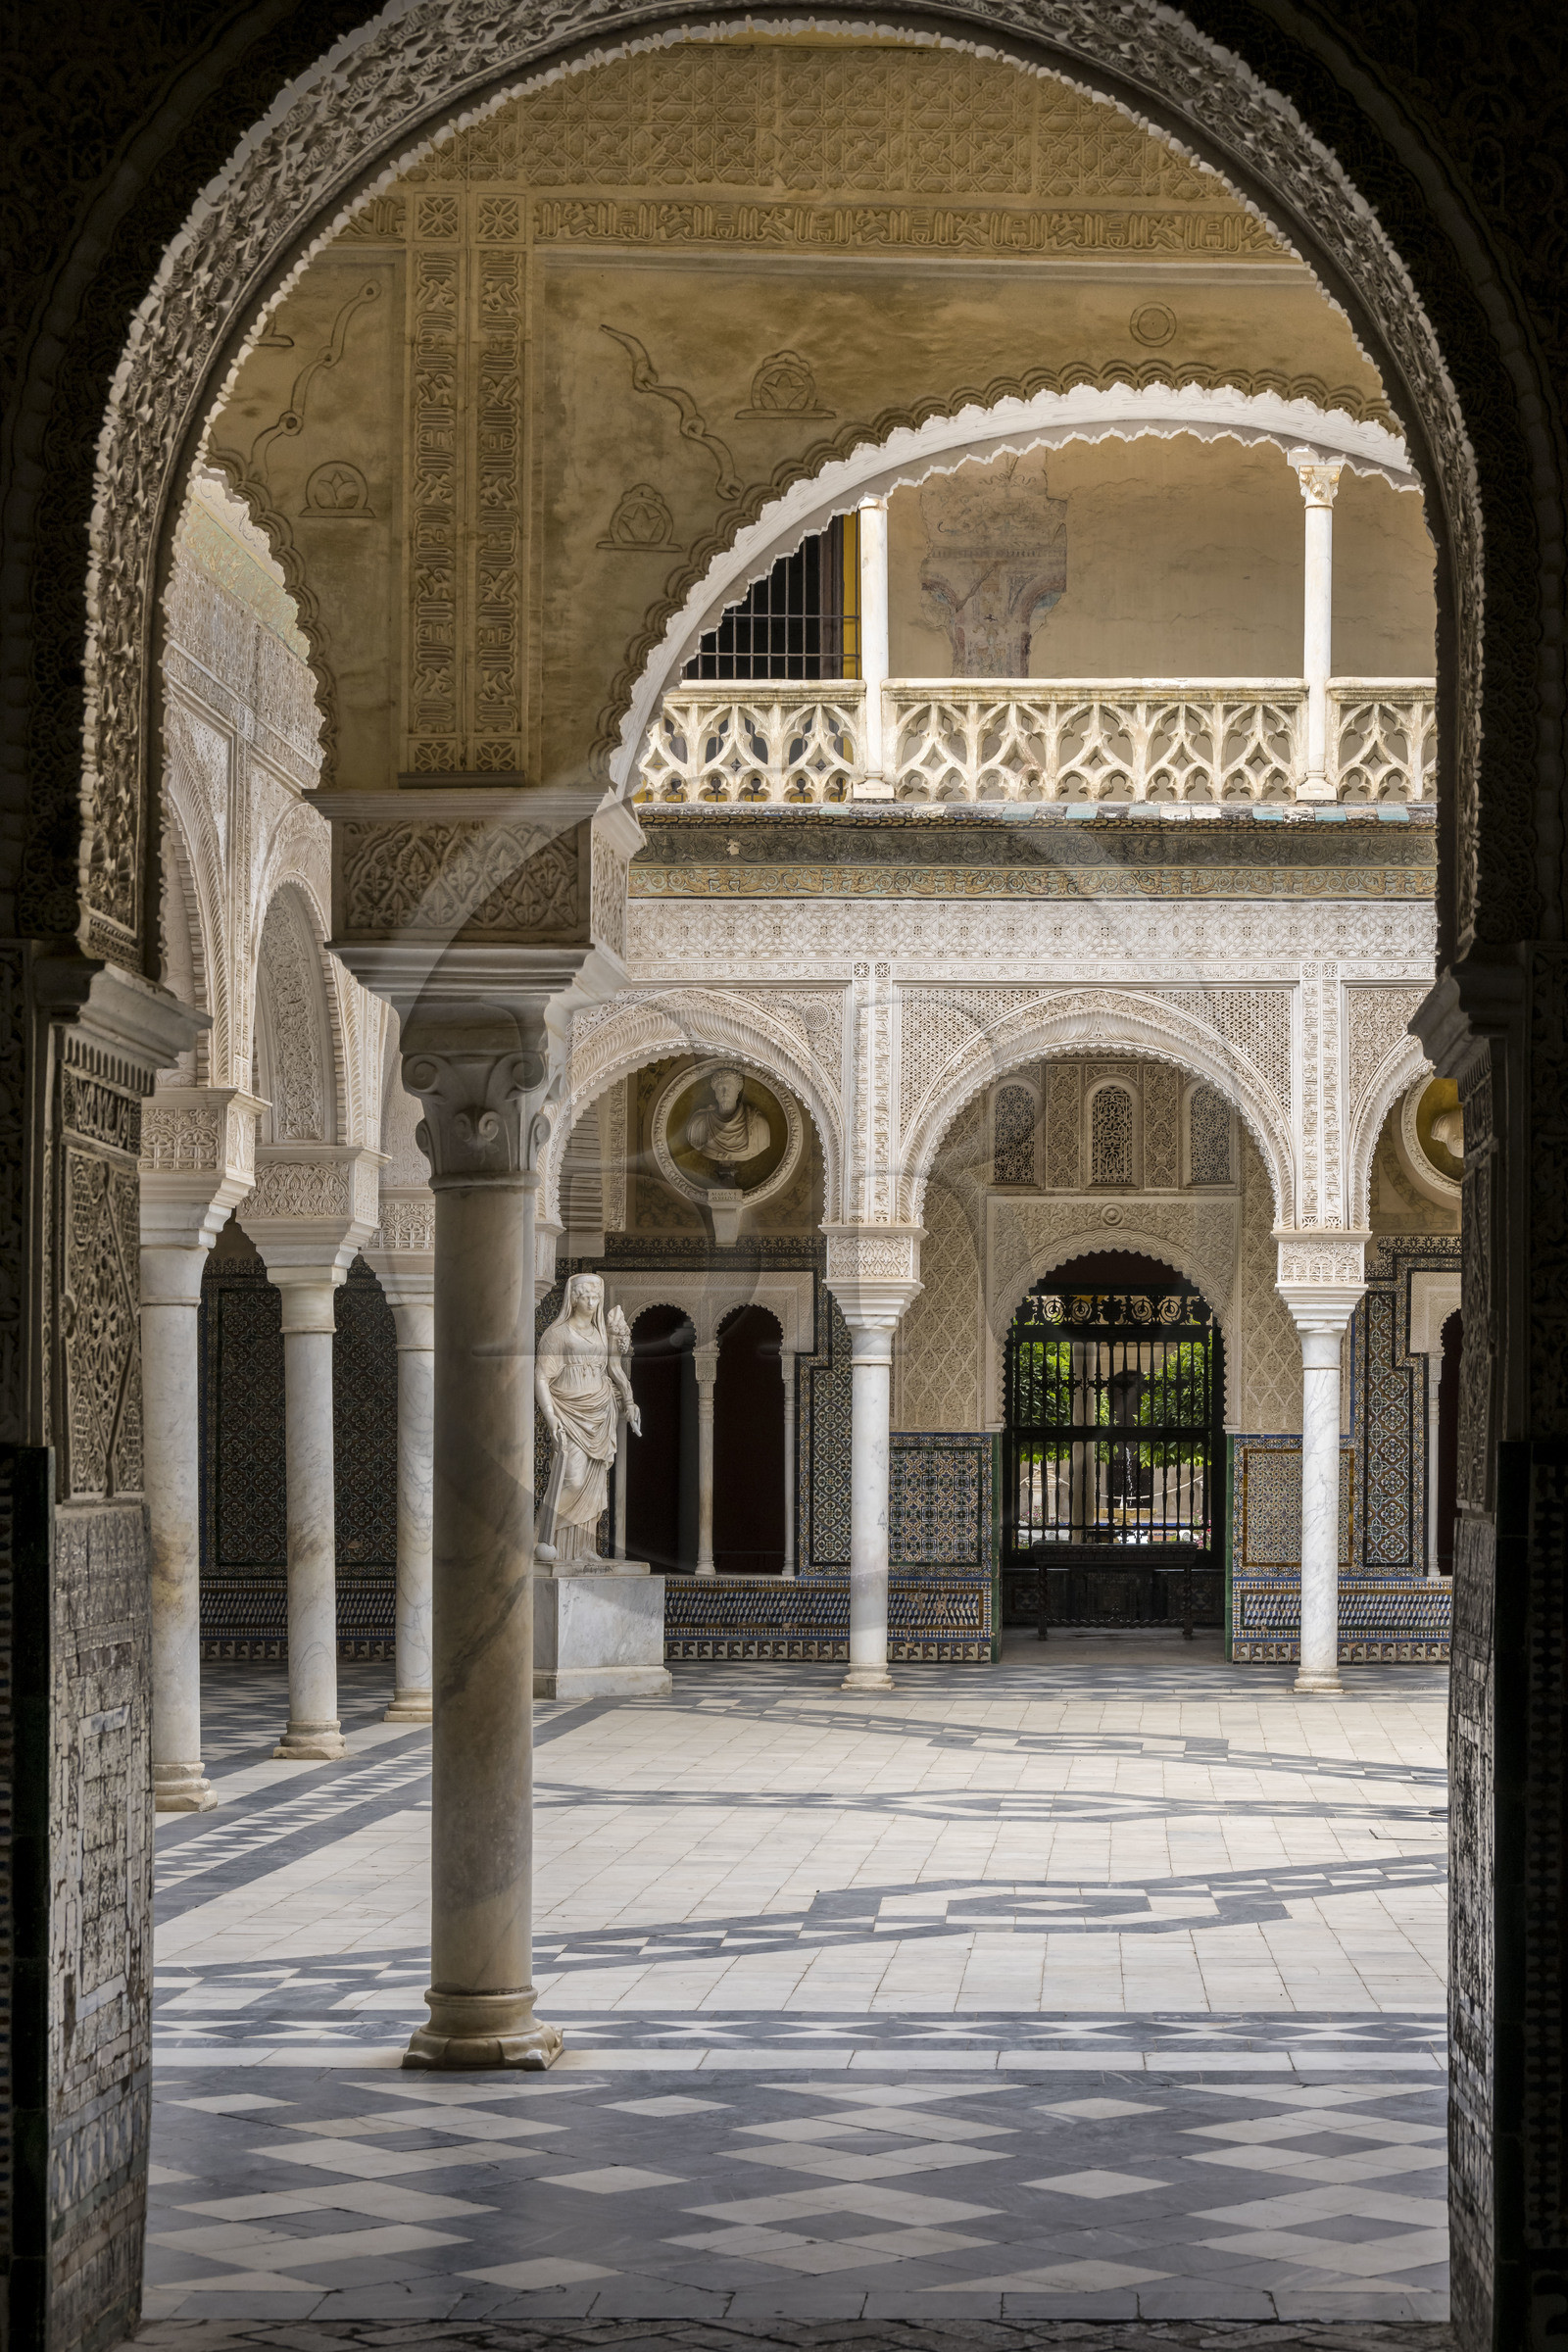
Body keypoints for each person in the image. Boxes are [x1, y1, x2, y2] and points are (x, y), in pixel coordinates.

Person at [535, 1273, 640, 1563]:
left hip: (600, 1412)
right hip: (569, 1413)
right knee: (573, 1480)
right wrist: (550, 1416)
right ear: (574, 1299)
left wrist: (629, 1401)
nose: (592, 1303)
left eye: (596, 1297)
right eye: (586, 1297)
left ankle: (583, 1548)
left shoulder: (600, 1334)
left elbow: (614, 1370)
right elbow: (541, 1377)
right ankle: (538, 1534)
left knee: (594, 1486)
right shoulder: (557, 1335)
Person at [684, 1064, 770, 1169]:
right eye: (720, 1088)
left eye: (729, 1088)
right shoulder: (701, 1122)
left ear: (737, 1091)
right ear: (715, 1093)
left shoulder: (758, 1123)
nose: (725, 1093)